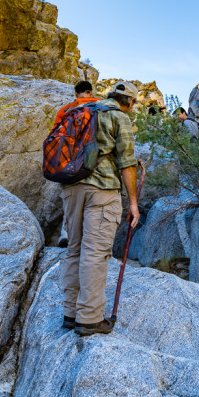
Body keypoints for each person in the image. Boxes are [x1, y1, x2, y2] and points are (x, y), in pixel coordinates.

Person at [61, 80, 140, 336]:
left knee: (74, 249)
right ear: (129, 101)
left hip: (71, 188)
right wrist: (133, 203)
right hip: (102, 190)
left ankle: (70, 314)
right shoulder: (119, 117)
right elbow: (127, 164)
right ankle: (90, 318)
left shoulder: (82, 110)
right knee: (95, 253)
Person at [54, 80, 100, 247]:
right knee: (92, 203)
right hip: (93, 162)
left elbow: (55, 137)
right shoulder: (100, 107)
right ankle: (88, 239)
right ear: (91, 92)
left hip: (69, 163)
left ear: (75, 93)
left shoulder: (65, 111)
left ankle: (66, 234)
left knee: (70, 201)